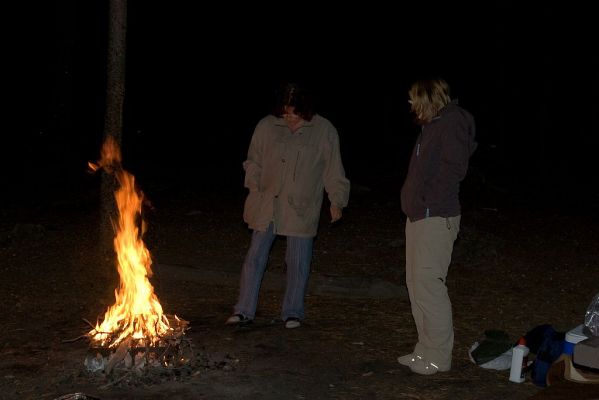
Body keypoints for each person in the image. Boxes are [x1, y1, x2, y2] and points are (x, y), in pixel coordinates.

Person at [226, 82, 350, 329]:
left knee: (298, 261)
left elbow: (333, 169)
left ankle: (292, 312)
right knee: (255, 256)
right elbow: (253, 160)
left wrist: (337, 200)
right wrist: (254, 183)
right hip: (267, 203)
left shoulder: (324, 130)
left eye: (295, 114)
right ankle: (244, 310)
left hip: (300, 206)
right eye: (286, 113)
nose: (290, 118)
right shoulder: (266, 126)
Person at [397, 77, 477, 374]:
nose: (410, 105)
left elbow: (454, 169)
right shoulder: (432, 126)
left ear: (427, 98)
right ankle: (424, 350)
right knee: (416, 285)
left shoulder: (453, 122)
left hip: (436, 216)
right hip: (419, 216)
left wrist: (428, 200)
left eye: (413, 99)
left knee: (429, 286)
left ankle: (439, 357)